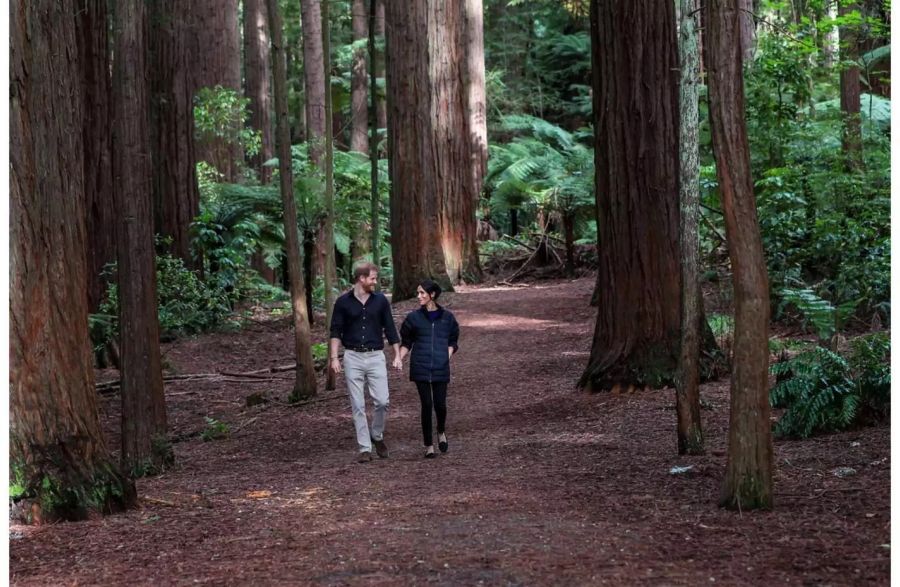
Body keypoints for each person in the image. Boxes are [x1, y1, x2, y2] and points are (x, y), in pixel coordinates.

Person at [329, 262, 403, 463]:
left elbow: (390, 328)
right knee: (358, 405)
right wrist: (334, 357)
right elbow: (335, 330)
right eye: (372, 278)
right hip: (352, 356)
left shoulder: (380, 301)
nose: (375, 282)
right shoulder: (343, 302)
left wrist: (397, 355)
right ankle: (364, 448)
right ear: (361, 279)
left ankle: (376, 434)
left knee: (382, 401)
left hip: (375, 356)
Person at [398, 279, 460, 459]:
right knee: (426, 405)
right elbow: (407, 342)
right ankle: (429, 445)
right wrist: (398, 358)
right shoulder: (413, 318)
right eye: (418, 293)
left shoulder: (448, 318)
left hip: (441, 367)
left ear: (432, 295)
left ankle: (441, 431)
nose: (419, 296)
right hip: (420, 367)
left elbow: (453, 341)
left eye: (422, 293)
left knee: (440, 405)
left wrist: (447, 355)